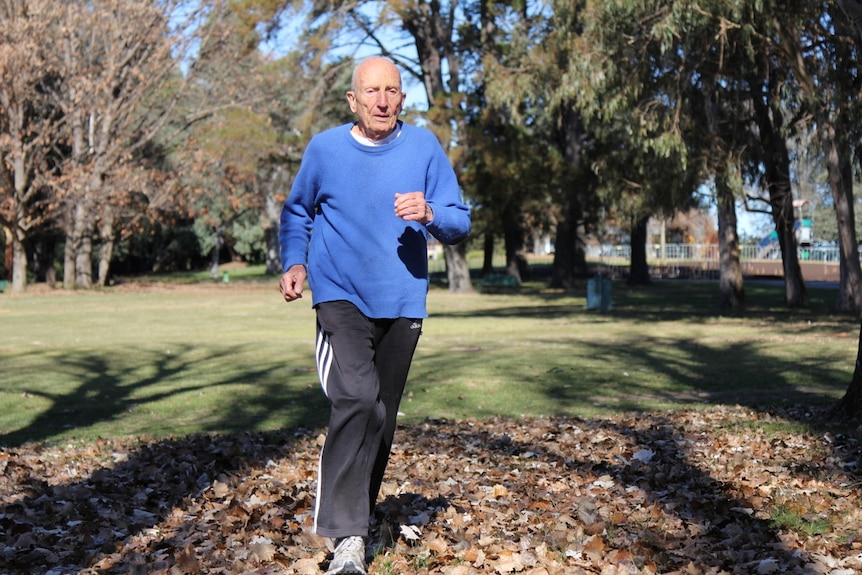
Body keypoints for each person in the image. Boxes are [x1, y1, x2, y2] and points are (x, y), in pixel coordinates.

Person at [278, 56, 471, 575]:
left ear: (402, 97)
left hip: (403, 300)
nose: (382, 100)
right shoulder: (325, 149)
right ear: (353, 100)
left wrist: (430, 213)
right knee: (359, 400)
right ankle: (346, 539)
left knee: (381, 419)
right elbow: (297, 211)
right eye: (371, 91)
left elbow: (459, 219)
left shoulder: (425, 147)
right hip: (340, 295)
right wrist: (295, 261)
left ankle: (356, 523)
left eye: (391, 90)